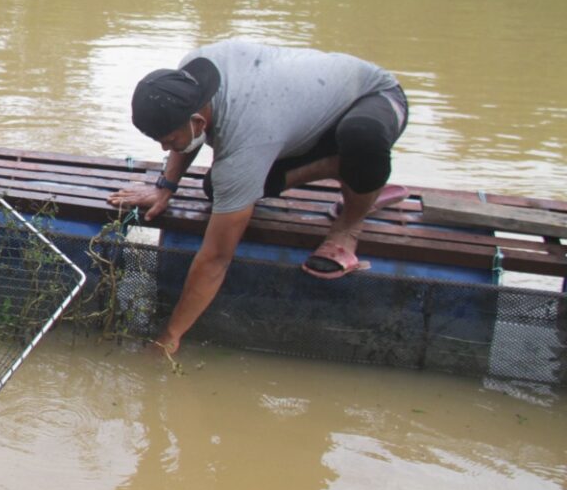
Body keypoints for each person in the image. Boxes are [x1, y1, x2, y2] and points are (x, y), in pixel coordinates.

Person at [107, 39, 408, 356]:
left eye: (168, 141)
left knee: (362, 139)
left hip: (373, 101)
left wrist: (170, 335)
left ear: (198, 121)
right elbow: (187, 134)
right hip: (298, 118)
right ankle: (341, 166)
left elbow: (216, 258)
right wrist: (165, 185)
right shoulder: (188, 76)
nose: (164, 150)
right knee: (217, 188)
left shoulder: (246, 134)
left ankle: (349, 223)